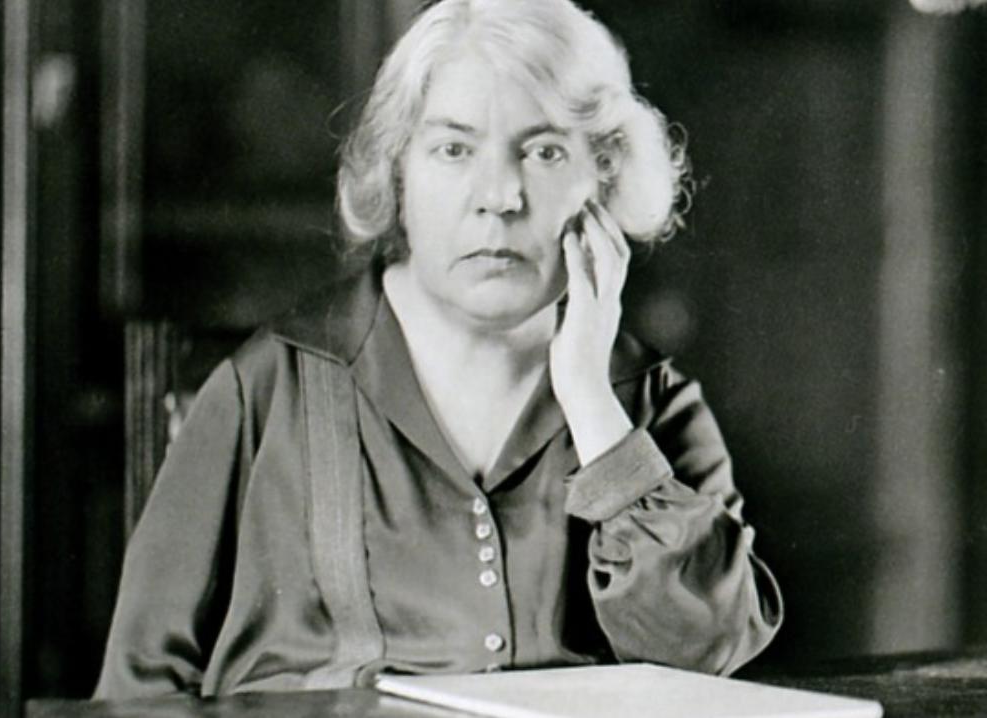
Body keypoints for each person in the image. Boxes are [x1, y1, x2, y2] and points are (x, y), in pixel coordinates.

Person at [94, 0, 783, 698]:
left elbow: (711, 662)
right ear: (398, 174)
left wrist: (588, 398)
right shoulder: (263, 391)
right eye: (454, 149)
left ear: (603, 179)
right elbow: (135, 690)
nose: (499, 196)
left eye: (545, 151)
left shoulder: (653, 404)